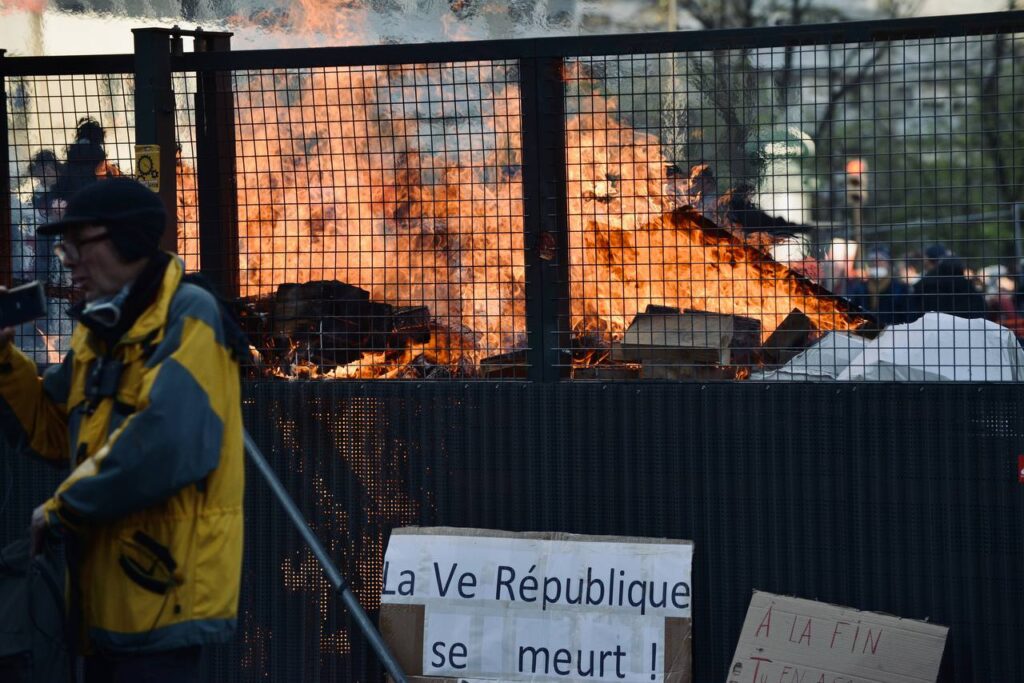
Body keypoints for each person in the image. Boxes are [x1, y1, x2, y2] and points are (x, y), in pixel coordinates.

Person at [0, 177, 244, 682]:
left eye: (77, 245)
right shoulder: (97, 327)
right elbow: (52, 431)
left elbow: (166, 442)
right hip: (98, 604)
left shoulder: (189, 316)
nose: (67, 260)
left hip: (161, 602)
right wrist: (2, 358)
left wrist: (63, 507)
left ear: (127, 241)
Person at [843, 246, 916, 327]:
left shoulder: (901, 288)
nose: (875, 263)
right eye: (872, 261)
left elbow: (908, 317)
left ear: (889, 263)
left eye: (880, 260)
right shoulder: (860, 288)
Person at [913, 243, 986, 319]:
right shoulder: (968, 285)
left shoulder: (922, 285)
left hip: (934, 328)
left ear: (928, 260)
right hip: (966, 328)